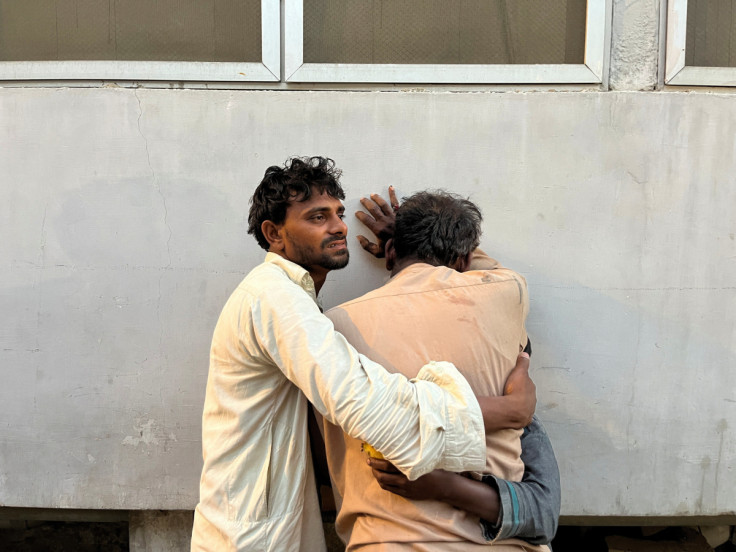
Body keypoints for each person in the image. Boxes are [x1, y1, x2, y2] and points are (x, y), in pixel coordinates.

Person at [190, 157, 536, 552]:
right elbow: (365, 403)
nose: (338, 226)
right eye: (317, 217)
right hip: (251, 539)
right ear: (275, 234)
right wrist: (506, 412)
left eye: (339, 213)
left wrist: (415, 244)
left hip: (274, 529)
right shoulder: (271, 297)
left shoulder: (300, 305)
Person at [321, 190, 560, 550]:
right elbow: (489, 271)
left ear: (390, 253)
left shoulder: (333, 326)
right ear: (463, 260)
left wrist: (400, 240)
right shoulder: (506, 291)